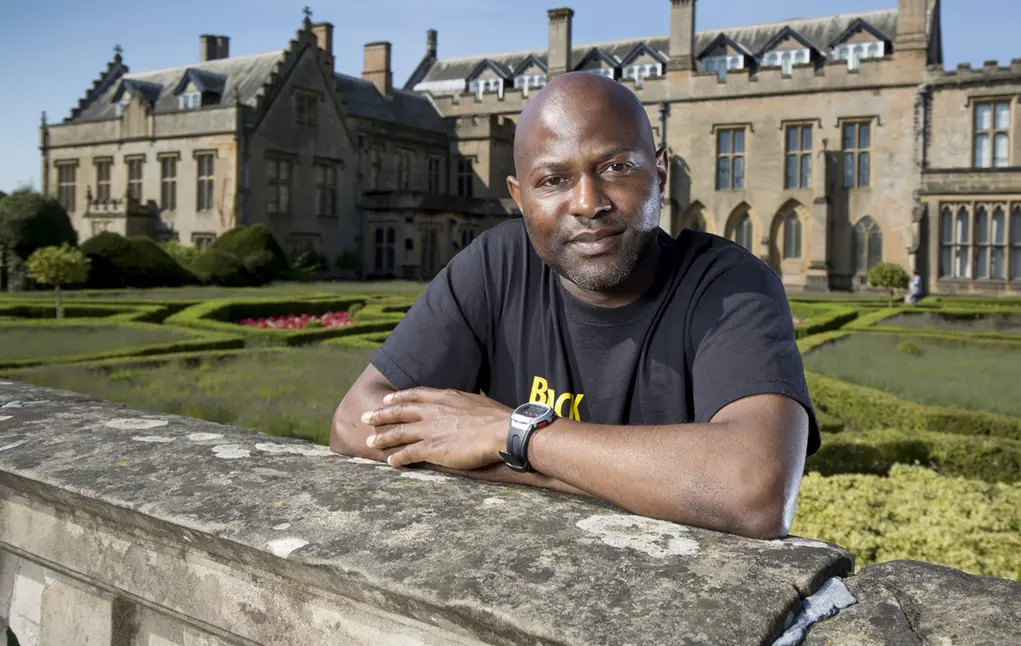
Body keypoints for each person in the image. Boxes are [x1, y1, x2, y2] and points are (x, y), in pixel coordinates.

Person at [330, 72, 820, 540]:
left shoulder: (730, 286)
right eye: (553, 180)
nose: (588, 202)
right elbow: (355, 423)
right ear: (521, 199)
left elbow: (755, 490)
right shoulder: (497, 263)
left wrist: (515, 434)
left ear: (661, 172)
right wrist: (624, 480)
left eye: (616, 167)